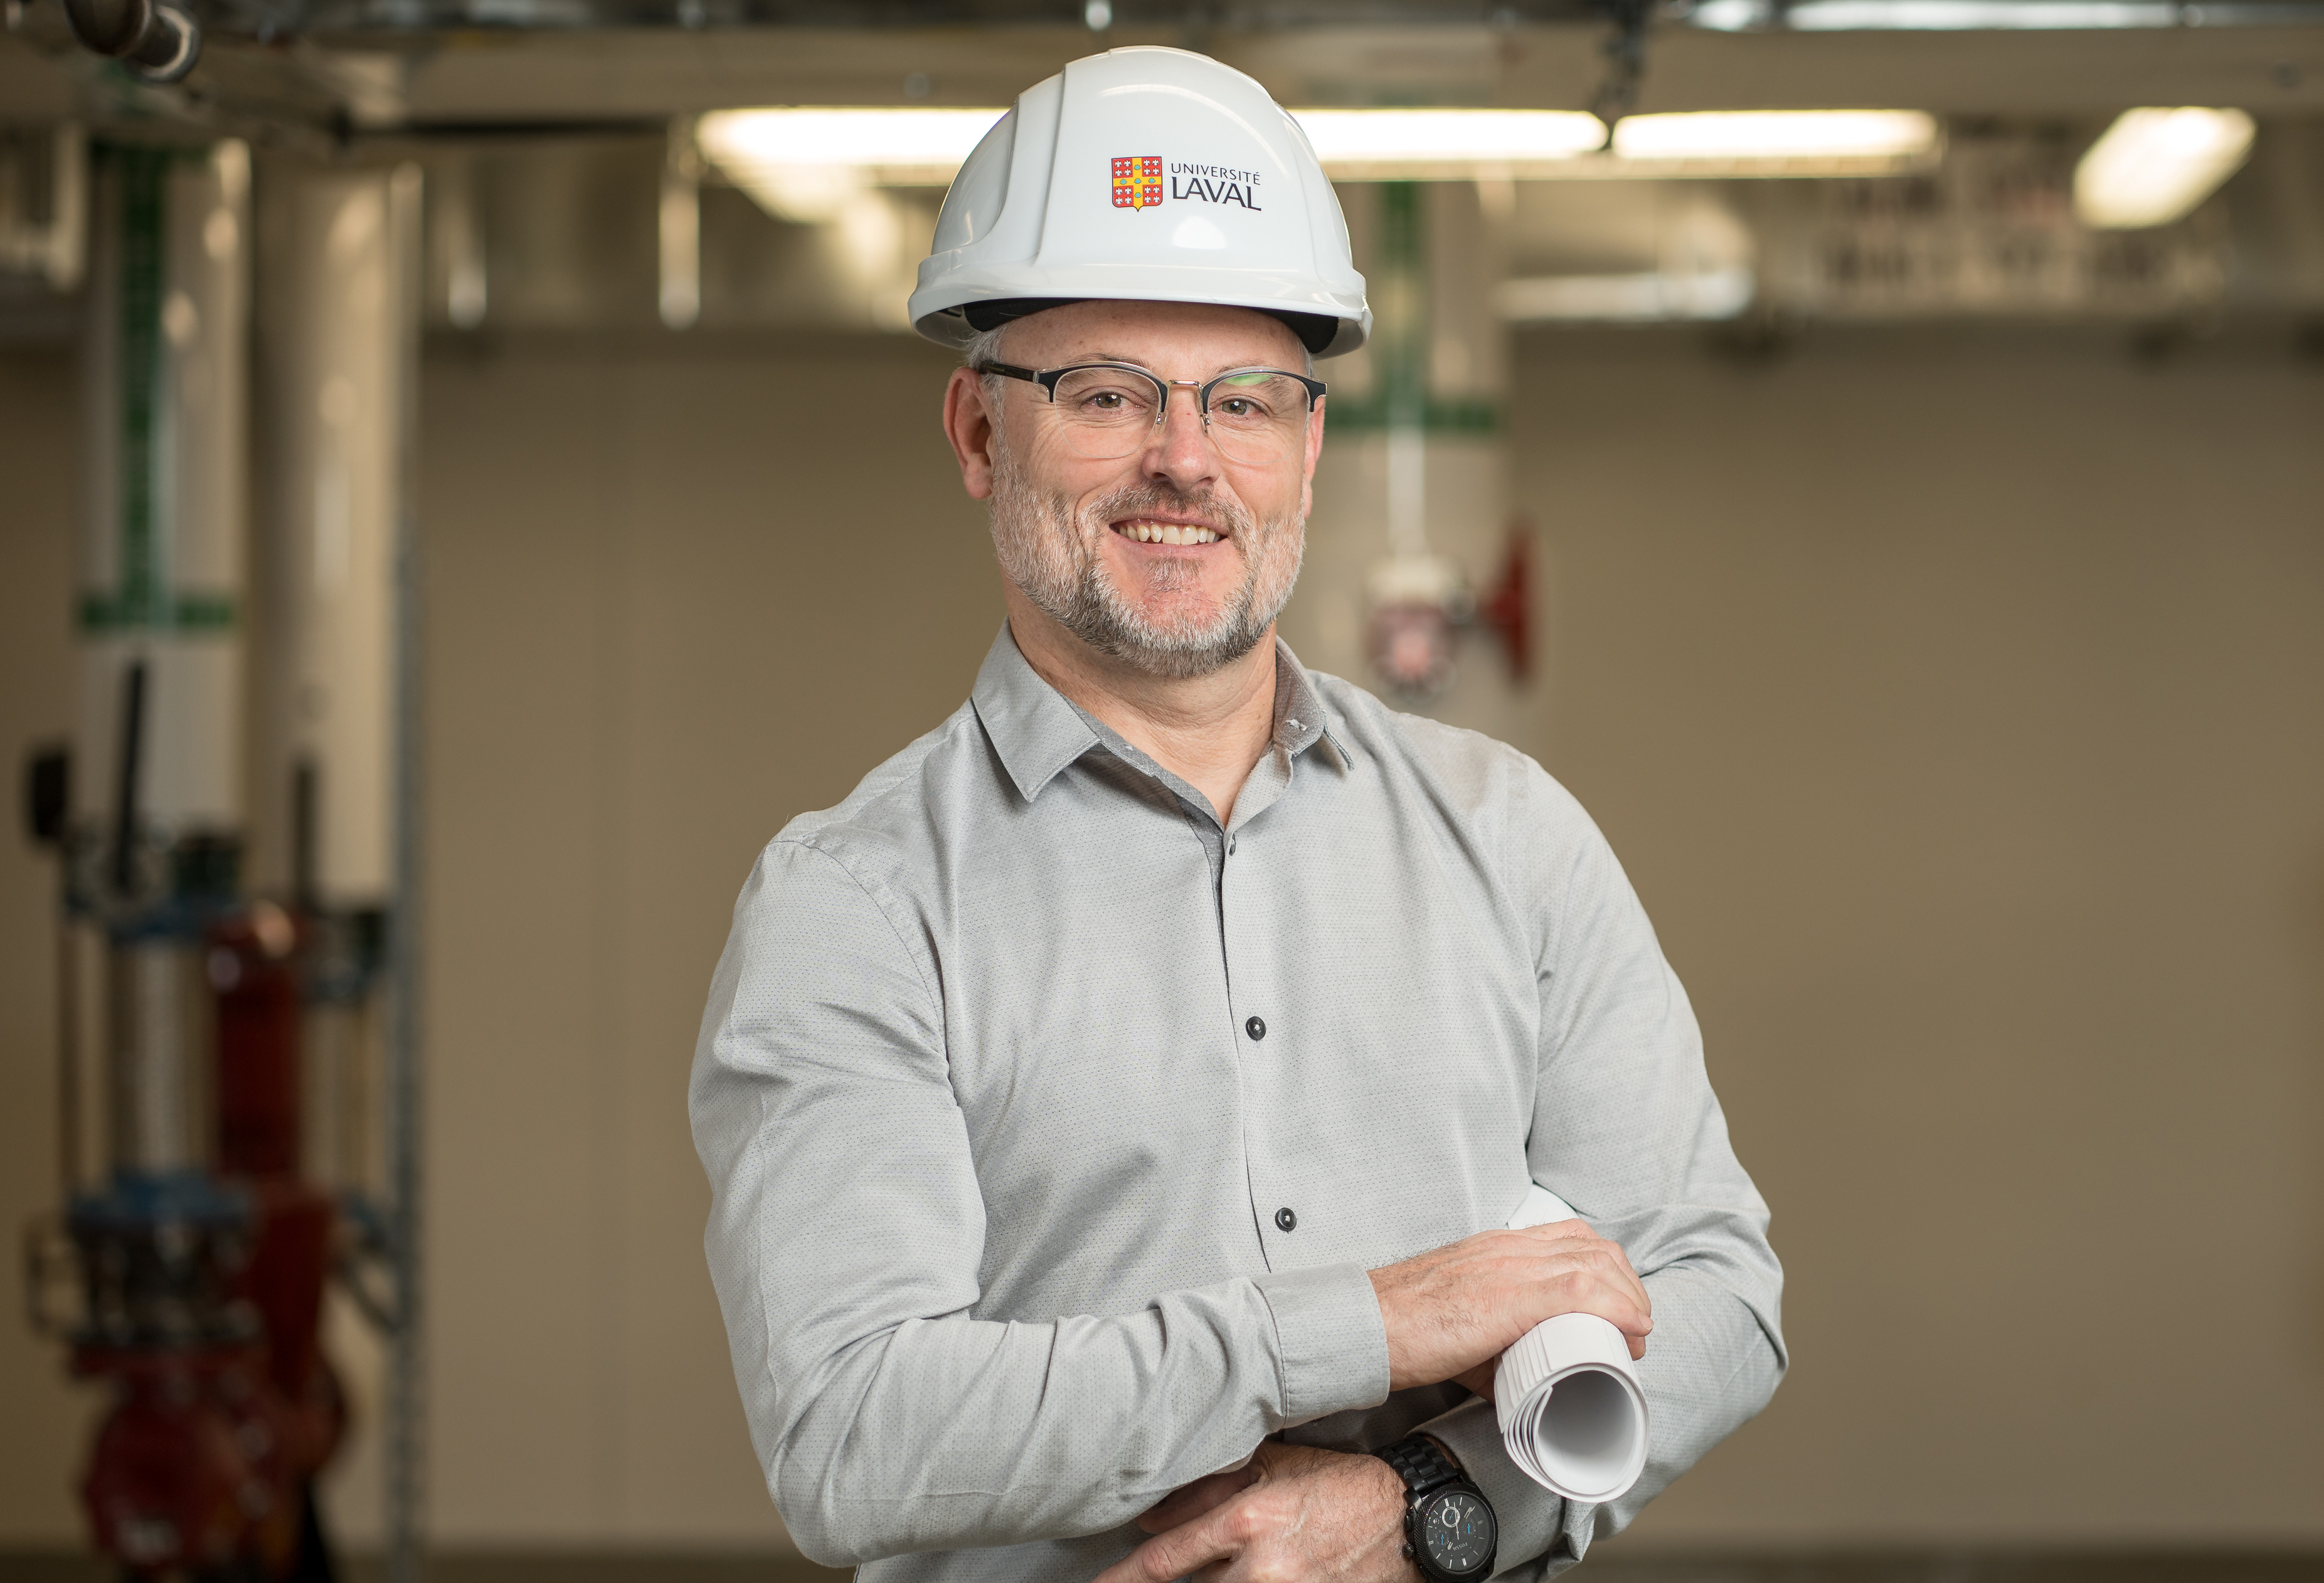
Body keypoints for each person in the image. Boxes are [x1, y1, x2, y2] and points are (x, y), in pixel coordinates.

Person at [689, 45, 1784, 1583]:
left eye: (1246, 399)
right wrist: (1368, 1323)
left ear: (1310, 446)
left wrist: (1424, 1507)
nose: (1185, 459)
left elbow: (1719, 1293)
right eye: (1106, 393)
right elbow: (854, 1428)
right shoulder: (858, 903)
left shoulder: (1509, 836)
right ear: (977, 431)